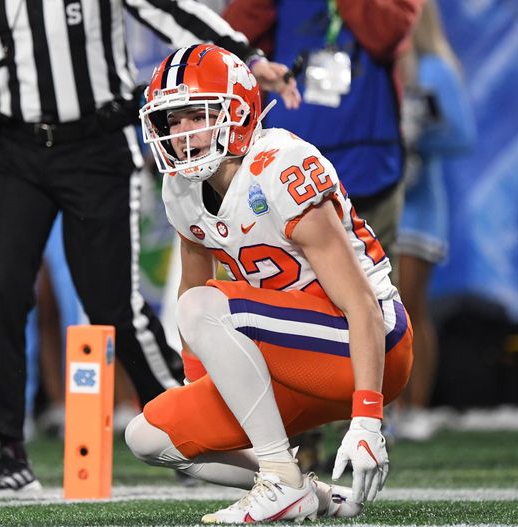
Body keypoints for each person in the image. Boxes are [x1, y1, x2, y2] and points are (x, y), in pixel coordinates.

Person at [0, 0, 301, 493]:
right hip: (16, 148)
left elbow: (170, 10)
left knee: (112, 303)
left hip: (98, 143)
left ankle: (187, 427)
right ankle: (9, 453)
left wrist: (248, 58)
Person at [124, 45, 413, 523]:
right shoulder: (180, 190)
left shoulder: (280, 165)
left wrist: (367, 419)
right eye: (171, 121)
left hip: (371, 341)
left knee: (203, 306)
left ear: (235, 114)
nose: (180, 134)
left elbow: (361, 304)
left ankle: (279, 476)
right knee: (150, 436)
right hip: (288, 356)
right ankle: (303, 489)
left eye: (195, 115)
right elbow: (191, 306)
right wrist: (203, 390)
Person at [222, 0, 423, 470]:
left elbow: (387, 30)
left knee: (369, 296)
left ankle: (362, 423)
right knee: (286, 299)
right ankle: (298, 431)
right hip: (288, 163)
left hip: (370, 160)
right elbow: (232, 34)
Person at [394, 0, 475, 441]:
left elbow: (462, 136)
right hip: (381, 199)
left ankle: (416, 406)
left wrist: (420, 131)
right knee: (377, 309)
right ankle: (385, 405)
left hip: (420, 207)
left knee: (411, 307)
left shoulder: (436, 70)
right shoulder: (374, 67)